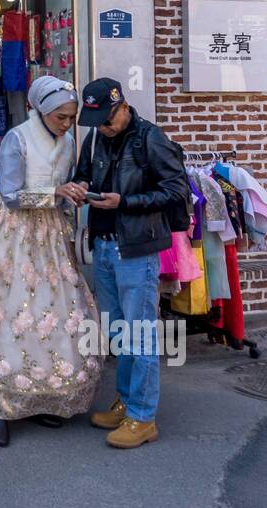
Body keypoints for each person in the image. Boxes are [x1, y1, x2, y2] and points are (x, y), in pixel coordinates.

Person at [0, 76, 102, 448]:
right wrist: (54, 192)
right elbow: (10, 195)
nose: (66, 123)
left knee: (51, 311)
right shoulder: (17, 138)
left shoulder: (69, 142)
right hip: (13, 233)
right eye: (61, 116)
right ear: (42, 111)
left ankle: (43, 393)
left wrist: (70, 195)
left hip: (49, 234)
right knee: (5, 308)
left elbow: (62, 185)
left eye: (71, 117)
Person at [61, 78, 188, 448]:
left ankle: (143, 417)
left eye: (106, 118)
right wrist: (79, 188)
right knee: (118, 333)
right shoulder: (97, 138)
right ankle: (127, 402)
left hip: (137, 248)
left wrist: (125, 202)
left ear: (122, 106)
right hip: (103, 246)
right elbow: (82, 173)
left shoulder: (151, 138)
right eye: (95, 120)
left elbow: (175, 189)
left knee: (141, 334)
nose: (101, 126)